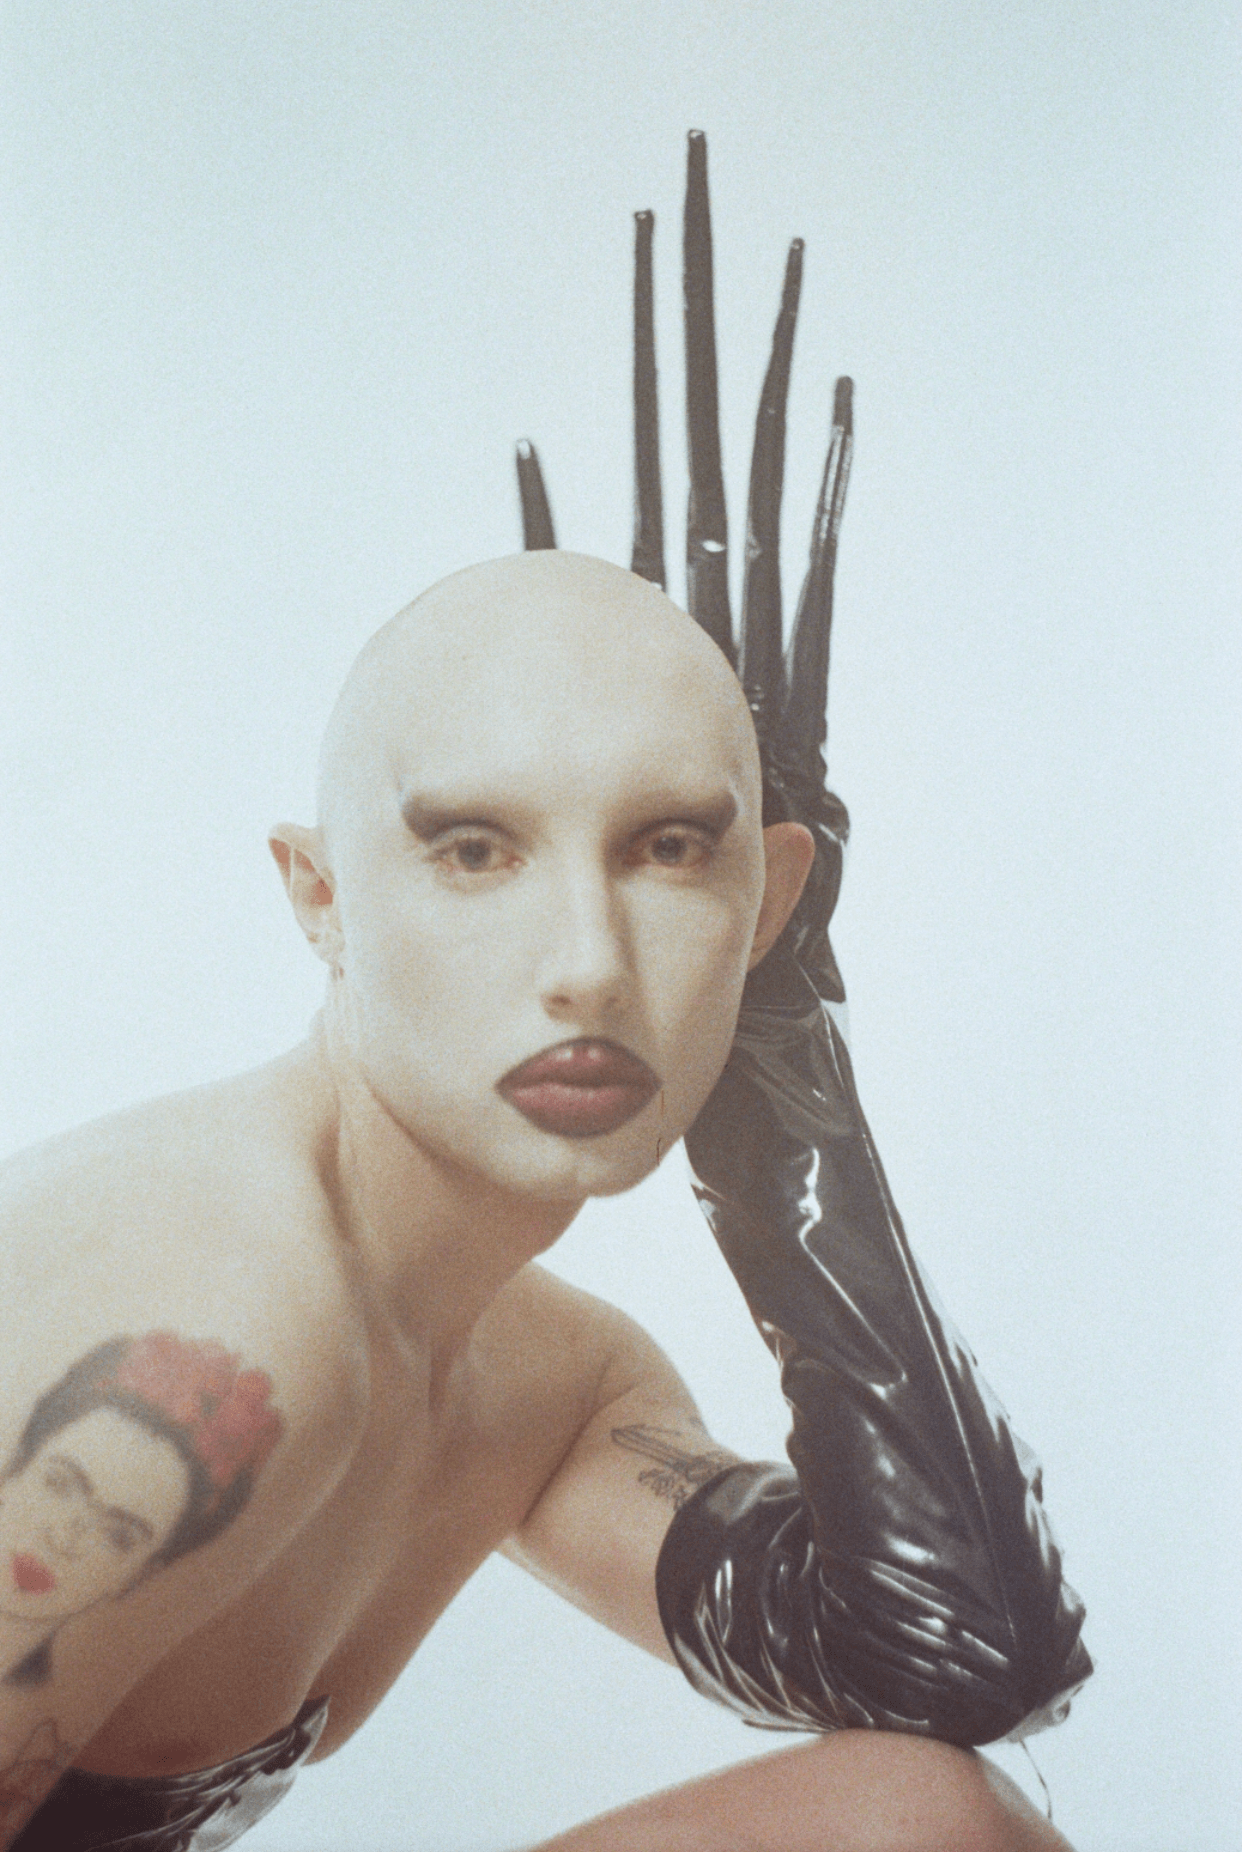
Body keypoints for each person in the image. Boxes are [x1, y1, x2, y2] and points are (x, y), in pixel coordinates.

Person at [0, 140, 1088, 1852]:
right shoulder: (210, 1313)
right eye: (475, 852)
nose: (586, 959)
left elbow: (949, 1664)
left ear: (771, 901)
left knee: (914, 1823)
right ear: (320, 895)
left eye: (667, 853)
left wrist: (783, 1086)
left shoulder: (538, 1379)